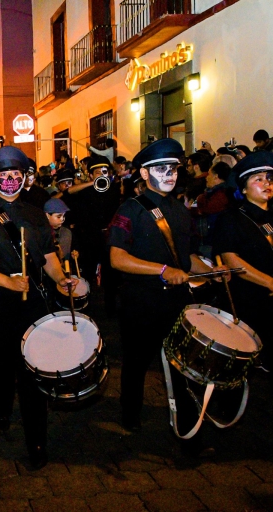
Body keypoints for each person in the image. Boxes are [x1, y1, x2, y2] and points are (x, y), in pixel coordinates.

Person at [108, 138, 226, 455]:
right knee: (136, 364)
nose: (170, 173)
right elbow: (117, 258)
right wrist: (162, 270)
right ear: (145, 174)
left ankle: (187, 429)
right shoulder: (129, 210)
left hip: (176, 302)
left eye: (173, 167)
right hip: (139, 303)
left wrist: (212, 269)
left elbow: (185, 257)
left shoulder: (180, 209)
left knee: (183, 366)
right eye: (161, 168)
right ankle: (130, 416)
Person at [0, 146, 74, 469]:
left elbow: (49, 257)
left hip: (33, 304)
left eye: (16, 175)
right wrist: (7, 282)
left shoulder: (35, 214)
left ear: (24, 179)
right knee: (1, 363)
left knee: (33, 369)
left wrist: (60, 279)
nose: (11, 180)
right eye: (4, 176)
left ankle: (36, 441)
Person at [213, 151, 273, 382]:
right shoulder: (233, 218)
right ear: (244, 189)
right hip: (251, 300)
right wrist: (268, 281)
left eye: (269, 179)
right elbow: (231, 259)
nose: (266, 184)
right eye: (258, 179)